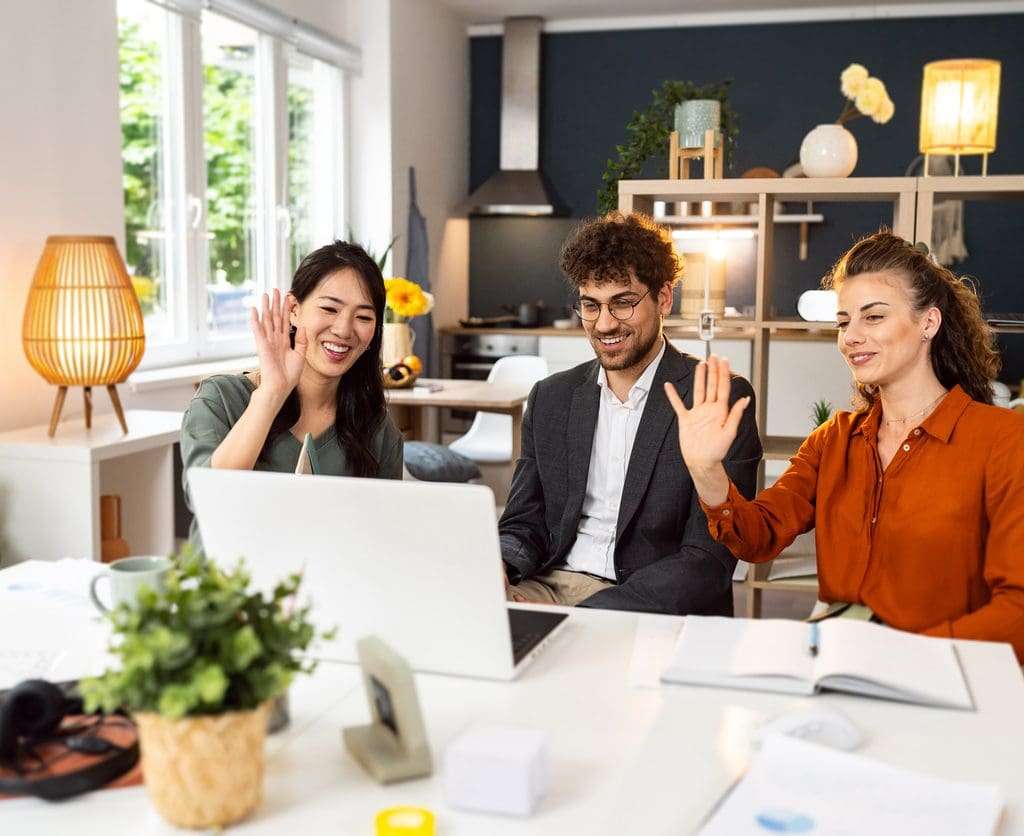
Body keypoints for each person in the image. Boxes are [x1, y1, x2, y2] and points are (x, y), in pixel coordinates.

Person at [665, 231, 1024, 662]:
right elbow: (759, 537)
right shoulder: (834, 440)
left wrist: (911, 662)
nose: (850, 336)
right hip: (835, 657)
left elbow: (1017, 612)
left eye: (873, 317)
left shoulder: (1004, 441)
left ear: (929, 322)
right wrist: (706, 470)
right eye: (842, 322)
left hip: (946, 671)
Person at [499, 212, 762, 614]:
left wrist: (592, 614)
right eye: (591, 306)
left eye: (623, 303)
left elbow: (708, 559)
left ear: (664, 298)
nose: (605, 324)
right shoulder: (551, 397)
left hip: (648, 601)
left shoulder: (715, 399)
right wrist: (497, 566)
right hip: (548, 588)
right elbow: (524, 522)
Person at [181, 241, 404, 546]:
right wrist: (272, 393)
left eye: (363, 317)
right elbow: (208, 501)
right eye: (329, 308)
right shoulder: (220, 398)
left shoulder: (378, 431)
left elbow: (383, 541)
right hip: (226, 588)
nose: (343, 329)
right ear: (295, 311)